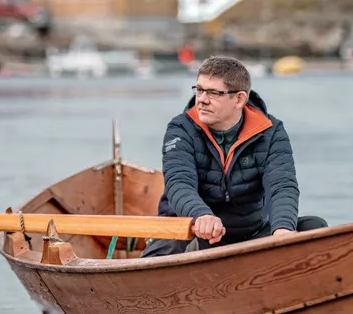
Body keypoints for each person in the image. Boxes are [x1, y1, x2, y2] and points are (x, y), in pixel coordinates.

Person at [140, 56, 327, 258]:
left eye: (213, 93)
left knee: (314, 227)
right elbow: (179, 183)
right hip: (192, 231)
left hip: (249, 233)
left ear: (239, 99)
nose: (202, 99)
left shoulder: (271, 131)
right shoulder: (180, 129)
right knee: (163, 250)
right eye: (199, 90)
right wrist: (201, 215)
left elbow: (282, 185)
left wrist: (283, 229)